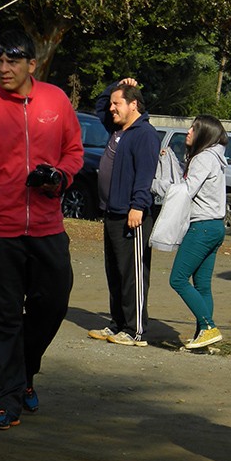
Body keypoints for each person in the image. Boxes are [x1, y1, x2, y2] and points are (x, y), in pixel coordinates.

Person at [0, 30, 83, 430]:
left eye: (12, 61)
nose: (3, 68)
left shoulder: (56, 101)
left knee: (54, 304)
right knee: (2, 318)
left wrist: (59, 176)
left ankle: (24, 370)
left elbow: (74, 152)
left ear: (32, 64)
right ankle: (7, 400)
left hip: (47, 228)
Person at [88, 78, 160, 347]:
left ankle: (134, 329)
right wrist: (115, 85)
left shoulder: (144, 134)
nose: (111, 108)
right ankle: (117, 323)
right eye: (112, 103)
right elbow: (98, 107)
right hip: (112, 211)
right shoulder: (119, 130)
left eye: (117, 103)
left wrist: (138, 206)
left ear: (134, 105)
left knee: (132, 273)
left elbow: (145, 174)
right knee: (115, 272)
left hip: (133, 214)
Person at [153, 115, 229, 349]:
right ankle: (203, 337)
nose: (188, 131)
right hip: (216, 226)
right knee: (202, 285)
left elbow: (186, 190)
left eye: (194, 128)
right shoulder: (215, 157)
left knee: (177, 278)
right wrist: (171, 161)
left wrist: (157, 184)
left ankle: (208, 326)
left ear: (204, 134)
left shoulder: (203, 158)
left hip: (202, 227)